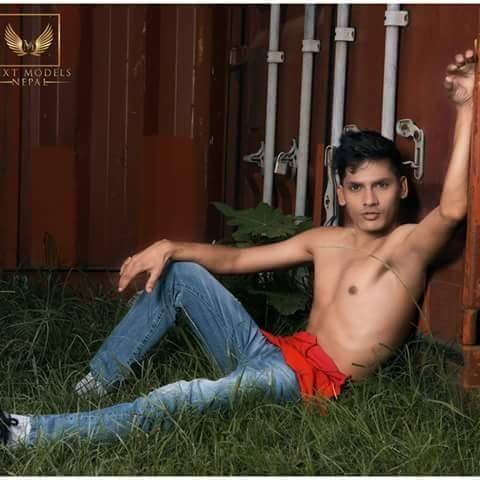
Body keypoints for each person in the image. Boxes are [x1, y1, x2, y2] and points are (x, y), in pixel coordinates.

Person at [0, 48, 475, 447]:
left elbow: (453, 209)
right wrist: (168, 245)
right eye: (357, 187)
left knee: (181, 395)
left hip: (306, 384)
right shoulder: (326, 240)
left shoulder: (406, 247)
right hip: (274, 352)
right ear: (342, 192)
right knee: (181, 272)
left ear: (402, 188)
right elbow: (238, 259)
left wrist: (466, 106)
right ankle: (92, 386)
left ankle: (29, 433)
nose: (369, 200)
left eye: (381, 186)